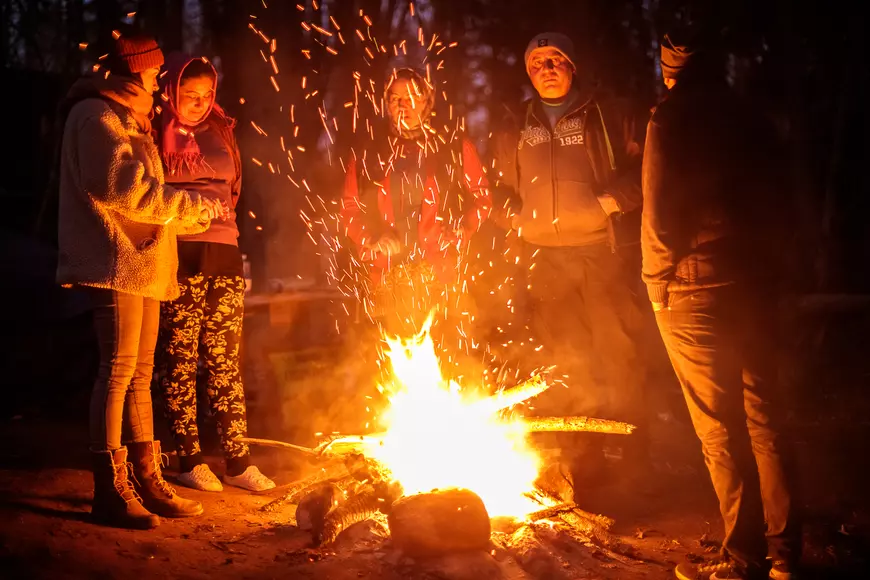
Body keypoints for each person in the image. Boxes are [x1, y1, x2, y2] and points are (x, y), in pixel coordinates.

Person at [641, 31, 800, 580]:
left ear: (670, 68)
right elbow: (783, 202)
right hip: (754, 284)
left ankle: (744, 563)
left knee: (718, 430)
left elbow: (658, 213)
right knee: (765, 420)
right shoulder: (750, 117)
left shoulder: (669, 117)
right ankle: (785, 559)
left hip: (693, 288)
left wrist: (654, 283)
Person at [57, 27, 225, 529]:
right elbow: (124, 189)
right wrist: (190, 206)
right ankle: (109, 487)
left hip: (143, 262)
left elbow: (148, 193)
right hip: (116, 262)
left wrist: (187, 217)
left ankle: (147, 479)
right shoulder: (95, 117)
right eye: (152, 74)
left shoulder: (127, 119)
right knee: (117, 369)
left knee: (138, 373)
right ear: (130, 73)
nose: (157, 83)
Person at [493, 32, 647, 488]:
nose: (547, 68)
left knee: (618, 354)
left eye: (556, 59)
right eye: (537, 61)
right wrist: (513, 220)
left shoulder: (606, 113)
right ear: (528, 71)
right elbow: (496, 189)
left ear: (572, 66)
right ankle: (580, 466)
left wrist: (610, 202)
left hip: (604, 253)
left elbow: (646, 170)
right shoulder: (515, 123)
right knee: (565, 362)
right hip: (545, 259)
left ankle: (633, 461)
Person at [154, 54, 275, 493]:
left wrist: (222, 224)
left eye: (206, 96)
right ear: (171, 92)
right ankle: (187, 455)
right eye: (190, 96)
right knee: (181, 355)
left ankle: (237, 461)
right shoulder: (154, 127)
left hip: (222, 247)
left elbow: (234, 186)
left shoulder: (221, 128)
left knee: (224, 357)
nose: (199, 104)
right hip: (177, 250)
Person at [340, 67, 491, 341]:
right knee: (393, 365)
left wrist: (462, 228)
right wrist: (371, 238)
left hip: (441, 276)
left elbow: (481, 197)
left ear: (427, 101)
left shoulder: (452, 145)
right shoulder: (368, 152)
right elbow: (350, 209)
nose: (402, 105)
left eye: (410, 96)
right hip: (387, 281)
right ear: (386, 104)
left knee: (447, 365)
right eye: (394, 99)